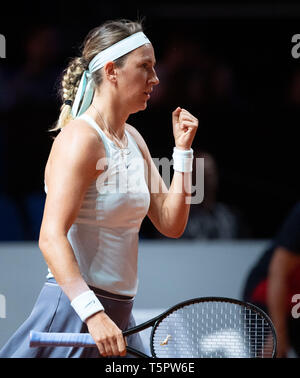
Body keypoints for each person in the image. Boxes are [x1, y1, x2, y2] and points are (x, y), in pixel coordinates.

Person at [0, 19, 198, 358]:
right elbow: (50, 236)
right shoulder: (80, 138)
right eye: (145, 67)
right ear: (112, 71)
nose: (156, 78)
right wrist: (92, 313)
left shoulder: (134, 138)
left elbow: (171, 222)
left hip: (116, 317)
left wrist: (183, 152)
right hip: (76, 311)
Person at [242, 202, 300, 358]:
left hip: (297, 300)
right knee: (272, 353)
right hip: (268, 296)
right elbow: (278, 273)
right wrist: (277, 333)